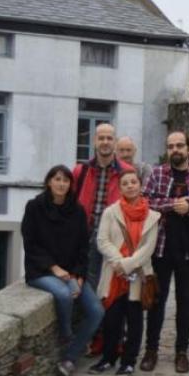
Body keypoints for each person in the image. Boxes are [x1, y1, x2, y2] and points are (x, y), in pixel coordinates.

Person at [141, 131, 189, 374]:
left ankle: (181, 352)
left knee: (187, 303)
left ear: (188, 148)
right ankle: (151, 350)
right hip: (161, 248)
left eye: (179, 145)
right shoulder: (157, 174)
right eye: (171, 146)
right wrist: (173, 205)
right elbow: (144, 202)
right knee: (156, 302)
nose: (175, 150)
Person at [22, 165, 104, 376]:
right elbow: (30, 244)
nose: (61, 184)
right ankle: (67, 335)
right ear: (49, 182)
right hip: (41, 271)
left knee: (96, 311)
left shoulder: (77, 211)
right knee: (63, 294)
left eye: (65, 180)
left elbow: (83, 248)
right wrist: (54, 268)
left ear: (70, 185)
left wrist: (78, 275)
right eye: (57, 179)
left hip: (71, 273)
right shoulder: (35, 207)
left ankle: (69, 358)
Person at [91, 169, 160, 376]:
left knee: (135, 320)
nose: (130, 186)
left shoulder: (153, 216)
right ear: (120, 188)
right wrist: (119, 262)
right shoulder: (110, 212)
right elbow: (102, 241)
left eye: (133, 182)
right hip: (114, 274)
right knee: (111, 320)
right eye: (125, 183)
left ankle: (129, 361)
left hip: (138, 274)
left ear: (140, 185)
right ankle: (108, 357)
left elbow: (148, 248)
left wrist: (127, 264)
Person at [73, 123, 132, 288]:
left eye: (109, 138)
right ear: (94, 141)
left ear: (115, 142)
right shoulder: (81, 171)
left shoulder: (127, 172)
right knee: (88, 284)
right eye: (101, 138)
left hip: (114, 240)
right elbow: (69, 205)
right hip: (85, 237)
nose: (105, 142)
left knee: (113, 286)